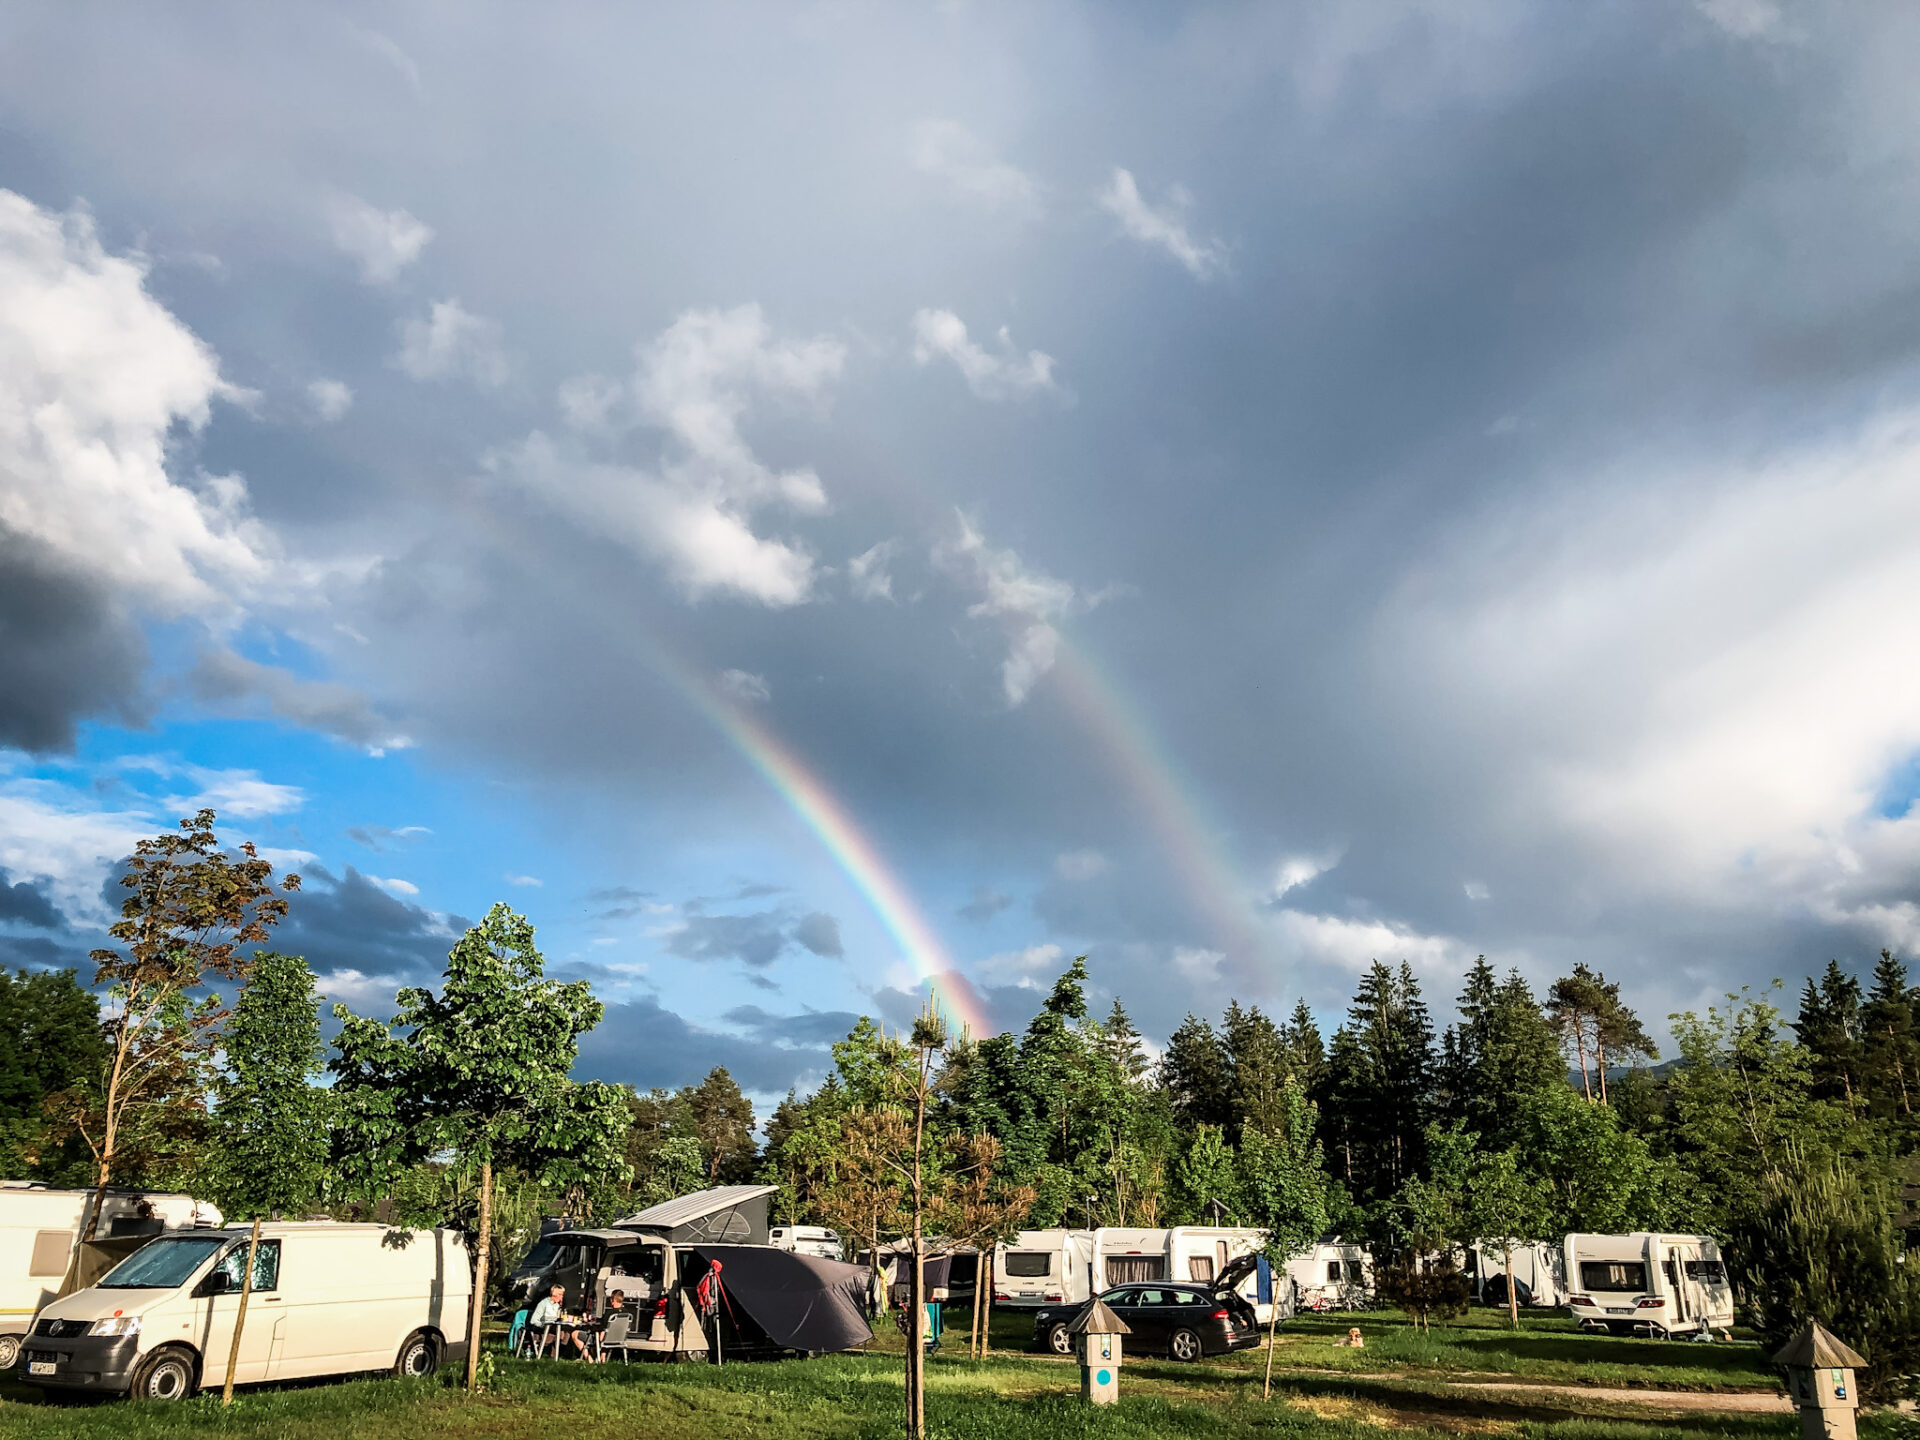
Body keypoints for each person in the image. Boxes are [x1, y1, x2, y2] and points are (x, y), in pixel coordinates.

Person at [530, 1284, 591, 1359]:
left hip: (554, 1328)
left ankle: (559, 1355)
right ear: (554, 1294)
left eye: (562, 1295)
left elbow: (558, 1318)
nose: (562, 1296)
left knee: (567, 1332)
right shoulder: (543, 1303)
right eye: (560, 1294)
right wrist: (545, 1325)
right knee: (562, 1333)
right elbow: (533, 1320)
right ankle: (556, 1356)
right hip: (542, 1329)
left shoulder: (557, 1305)